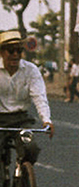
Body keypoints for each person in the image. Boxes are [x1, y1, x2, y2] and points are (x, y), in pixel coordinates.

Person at [0, 30, 53, 163]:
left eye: (19, 50)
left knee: (31, 148)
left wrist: (46, 120)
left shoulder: (31, 70)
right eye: (11, 51)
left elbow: (39, 96)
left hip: (21, 119)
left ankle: (22, 177)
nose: (15, 55)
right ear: (1, 52)